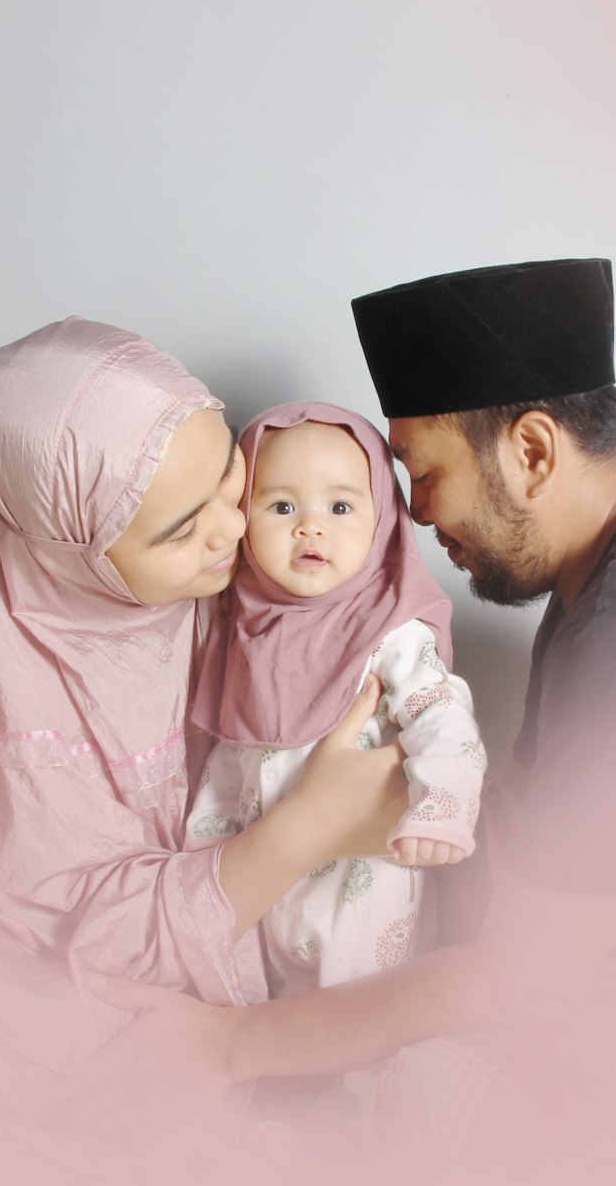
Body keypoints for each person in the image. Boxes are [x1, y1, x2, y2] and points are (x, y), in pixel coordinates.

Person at [49, 260, 616, 1158]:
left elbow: (521, 978)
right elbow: (531, 855)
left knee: (396, 1123)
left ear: (532, 452)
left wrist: (225, 1047)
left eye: (424, 473)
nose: (412, 515)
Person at [0, 317, 405, 1120]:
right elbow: (87, 930)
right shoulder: (25, 699)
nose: (237, 527)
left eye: (230, 478)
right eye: (184, 529)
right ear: (80, 559)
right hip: (72, 947)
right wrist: (305, 829)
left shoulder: (217, 567)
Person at [187, 401, 486, 993]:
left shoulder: (390, 631)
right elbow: (229, 756)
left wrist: (443, 806)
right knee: (253, 1008)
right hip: (262, 876)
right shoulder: (240, 626)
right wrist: (205, 848)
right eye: (280, 506)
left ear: (382, 522)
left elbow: (443, 716)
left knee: (358, 1010)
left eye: (342, 506)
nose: (310, 527)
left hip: (360, 884)